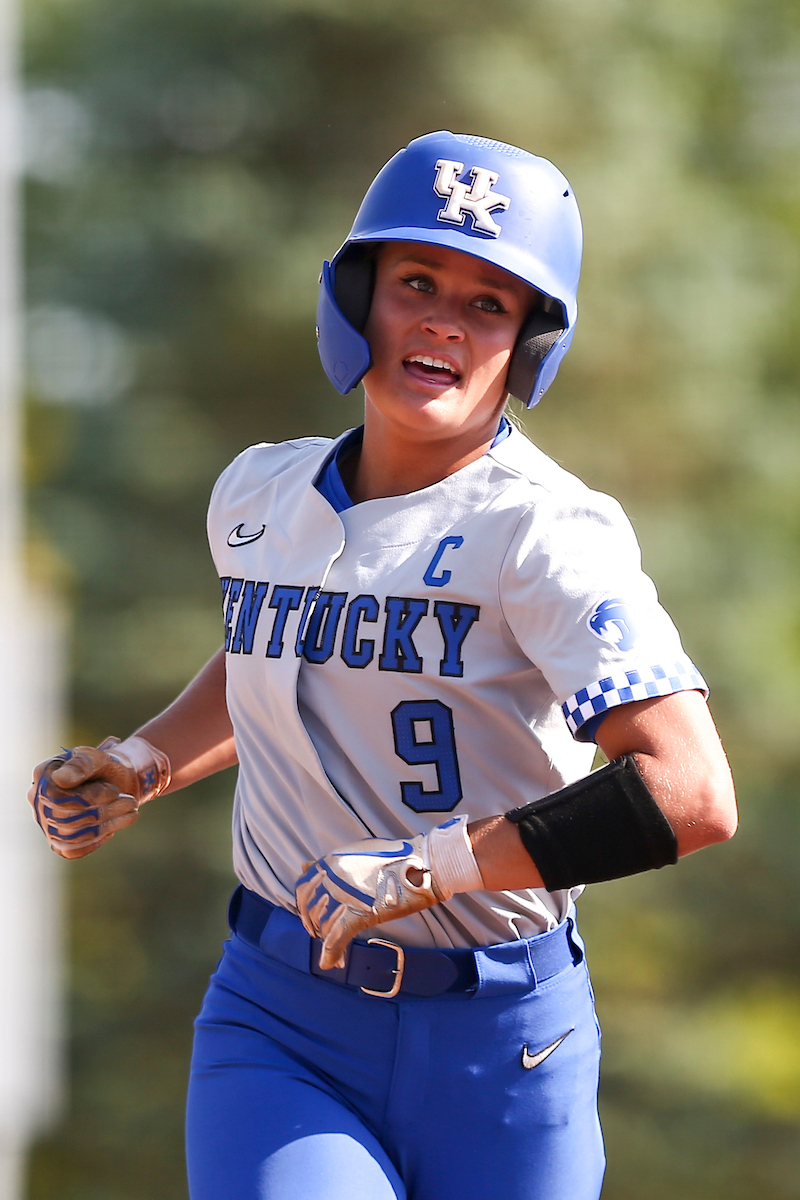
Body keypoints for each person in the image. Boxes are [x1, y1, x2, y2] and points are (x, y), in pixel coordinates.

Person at [29, 131, 737, 1200]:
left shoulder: (546, 534)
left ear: (527, 343)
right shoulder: (258, 495)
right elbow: (272, 655)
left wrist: (427, 869)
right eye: (416, 282)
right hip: (282, 1015)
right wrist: (140, 763)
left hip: (504, 1037)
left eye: (488, 303)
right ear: (356, 301)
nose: (444, 319)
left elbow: (689, 793)